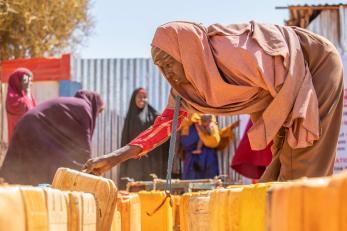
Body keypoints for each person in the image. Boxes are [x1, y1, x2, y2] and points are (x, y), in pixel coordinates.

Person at [84, 21, 343, 182]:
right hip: (284, 92)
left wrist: (289, 129)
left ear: (186, 51)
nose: (167, 72)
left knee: (301, 173)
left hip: (313, 67)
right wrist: (115, 158)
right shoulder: (185, 90)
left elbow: (286, 70)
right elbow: (164, 126)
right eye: (160, 66)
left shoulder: (231, 51)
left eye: (169, 61)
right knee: (276, 180)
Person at [0, 90, 104, 185]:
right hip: (33, 128)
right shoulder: (84, 108)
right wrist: (88, 170)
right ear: (96, 105)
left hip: (27, 124)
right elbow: (83, 146)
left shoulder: (75, 105)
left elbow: (70, 145)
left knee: (25, 168)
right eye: (99, 112)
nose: (97, 115)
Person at [119, 88, 169, 189]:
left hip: (150, 160)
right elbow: (125, 141)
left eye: (145, 97)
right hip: (134, 160)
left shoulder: (154, 116)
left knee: (149, 187)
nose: (142, 99)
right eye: (139, 97)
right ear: (134, 98)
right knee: (134, 186)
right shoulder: (130, 118)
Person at [179, 113, 238, 179]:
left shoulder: (209, 124)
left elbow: (215, 136)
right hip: (192, 157)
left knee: (209, 180)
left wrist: (231, 127)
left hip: (208, 155)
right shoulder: (189, 121)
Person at [6, 68, 36, 143]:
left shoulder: (28, 95)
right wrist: (27, 92)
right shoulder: (12, 99)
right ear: (17, 81)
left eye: (30, 81)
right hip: (19, 144)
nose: (30, 84)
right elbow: (23, 108)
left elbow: (34, 113)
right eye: (26, 80)